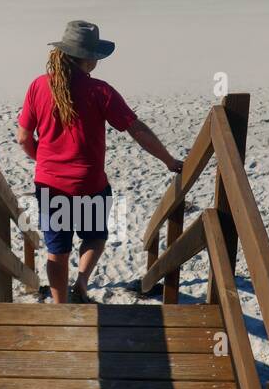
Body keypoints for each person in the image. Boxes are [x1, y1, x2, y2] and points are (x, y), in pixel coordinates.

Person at [16, 20, 184, 304]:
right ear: (89, 58)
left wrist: (42, 159)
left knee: (56, 251)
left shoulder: (38, 86)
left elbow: (23, 138)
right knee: (95, 237)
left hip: (50, 185)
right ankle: (81, 282)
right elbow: (137, 130)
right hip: (89, 185)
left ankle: (60, 305)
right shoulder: (100, 91)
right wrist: (169, 161)